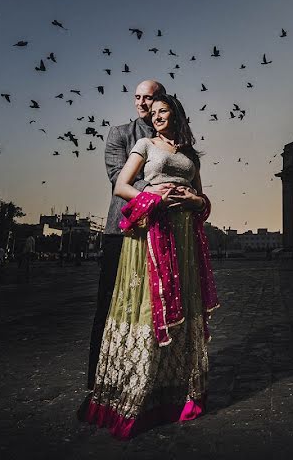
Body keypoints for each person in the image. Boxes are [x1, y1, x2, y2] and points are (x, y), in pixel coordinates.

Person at [79, 90, 218, 440]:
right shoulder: (144, 146)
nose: (156, 116)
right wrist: (153, 197)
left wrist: (193, 198)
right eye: (153, 112)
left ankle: (176, 392)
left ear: (177, 113)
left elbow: (202, 197)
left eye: (163, 111)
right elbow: (122, 186)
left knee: (181, 305)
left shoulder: (189, 154)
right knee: (148, 304)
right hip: (152, 231)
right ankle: (135, 391)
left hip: (185, 235)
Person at [87, 80, 170, 390]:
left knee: (149, 306)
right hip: (120, 231)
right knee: (108, 304)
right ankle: (97, 379)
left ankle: (146, 375)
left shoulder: (169, 139)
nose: (141, 103)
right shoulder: (120, 134)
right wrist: (161, 194)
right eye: (137, 97)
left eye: (148, 97)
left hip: (160, 231)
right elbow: (117, 178)